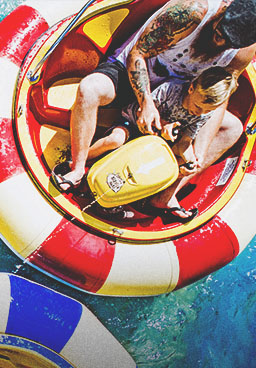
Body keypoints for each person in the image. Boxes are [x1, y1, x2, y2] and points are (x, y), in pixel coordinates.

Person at [57, 0, 256, 215]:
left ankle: (166, 195)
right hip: (132, 76)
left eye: (230, 42)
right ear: (224, 8)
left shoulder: (243, 51)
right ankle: (76, 169)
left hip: (181, 99)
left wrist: (198, 152)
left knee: (232, 129)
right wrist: (146, 104)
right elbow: (137, 54)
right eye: (221, 32)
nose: (220, 42)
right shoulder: (191, 12)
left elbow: (221, 94)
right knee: (90, 89)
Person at [60, 66, 237, 222]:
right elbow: (141, 112)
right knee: (115, 140)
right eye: (199, 107)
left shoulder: (203, 115)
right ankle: (77, 163)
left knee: (181, 165)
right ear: (191, 89)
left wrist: (190, 160)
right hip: (135, 125)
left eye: (208, 111)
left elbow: (184, 142)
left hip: (156, 143)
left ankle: (127, 200)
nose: (201, 113)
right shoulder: (170, 90)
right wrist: (163, 125)